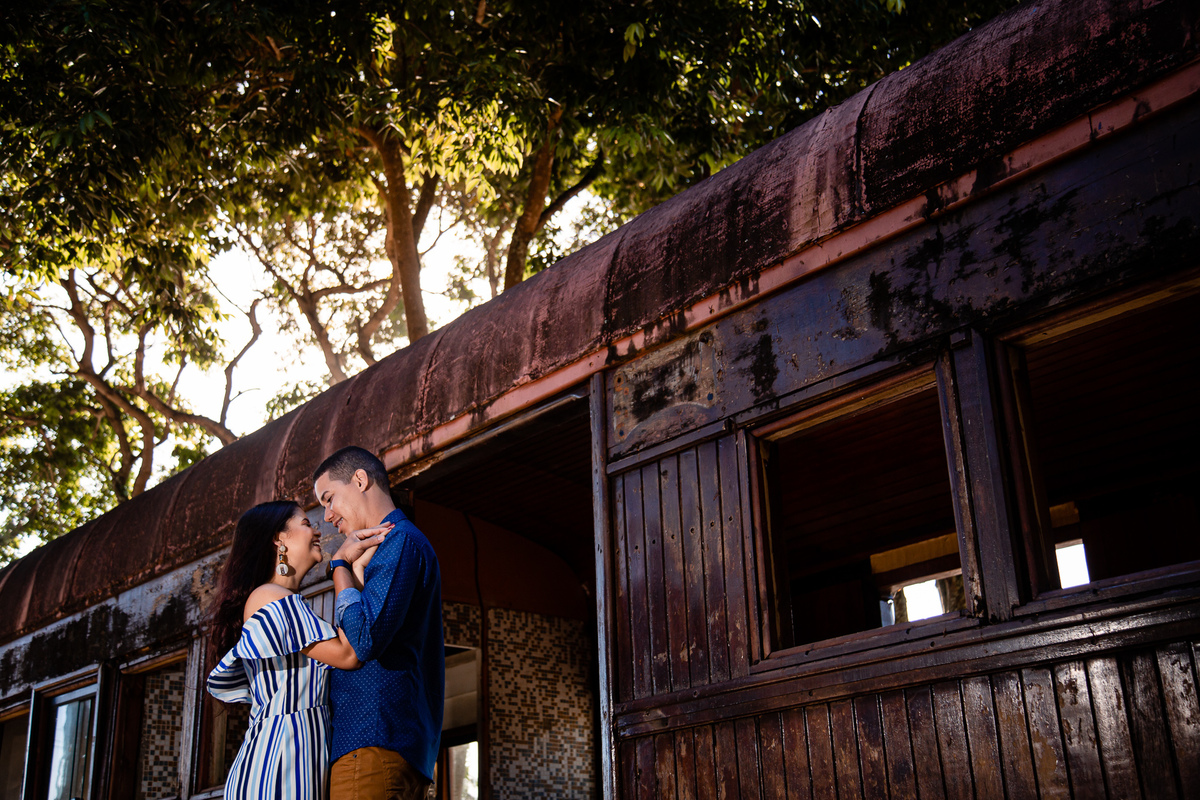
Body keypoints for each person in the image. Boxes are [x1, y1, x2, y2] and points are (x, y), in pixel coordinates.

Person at [205, 500, 389, 800]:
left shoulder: (285, 601)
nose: (317, 531)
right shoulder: (270, 597)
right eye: (306, 524)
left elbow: (351, 639)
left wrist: (353, 568)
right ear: (280, 538)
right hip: (278, 763)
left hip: (296, 756)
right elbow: (349, 653)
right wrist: (340, 565)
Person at [314, 446, 445, 800]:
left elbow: (363, 640)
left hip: (372, 741)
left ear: (360, 480)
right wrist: (355, 576)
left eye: (329, 499)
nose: (326, 516)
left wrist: (339, 566)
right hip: (388, 744)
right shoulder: (394, 547)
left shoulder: (400, 542)